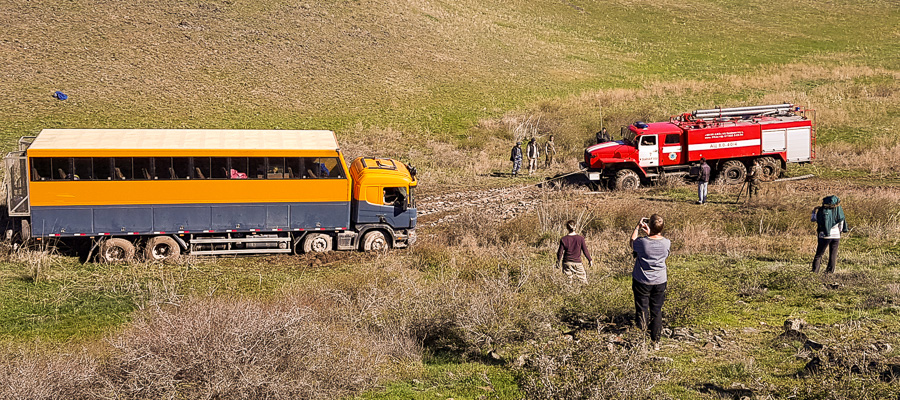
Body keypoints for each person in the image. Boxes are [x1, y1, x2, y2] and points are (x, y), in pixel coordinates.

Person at [629, 214, 670, 350]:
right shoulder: (666, 242)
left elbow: (632, 242)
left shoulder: (642, 242)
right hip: (659, 280)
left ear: (650, 225)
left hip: (642, 280)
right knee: (656, 311)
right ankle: (656, 341)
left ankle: (642, 340)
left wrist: (637, 227)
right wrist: (650, 233)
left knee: (642, 310)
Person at [811, 195, 848, 274]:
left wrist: (814, 211)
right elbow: (841, 225)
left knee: (819, 254)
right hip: (836, 236)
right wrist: (838, 233)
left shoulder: (821, 211)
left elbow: (813, 219)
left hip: (824, 235)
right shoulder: (839, 211)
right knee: (833, 254)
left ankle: (814, 272)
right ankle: (829, 272)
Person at [557, 220, 593, 284]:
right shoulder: (580, 238)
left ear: (567, 228)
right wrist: (590, 260)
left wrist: (558, 261)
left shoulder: (563, 239)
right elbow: (585, 250)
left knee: (568, 282)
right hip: (577, 263)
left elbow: (560, 252)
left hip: (567, 262)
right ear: (575, 226)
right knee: (583, 281)